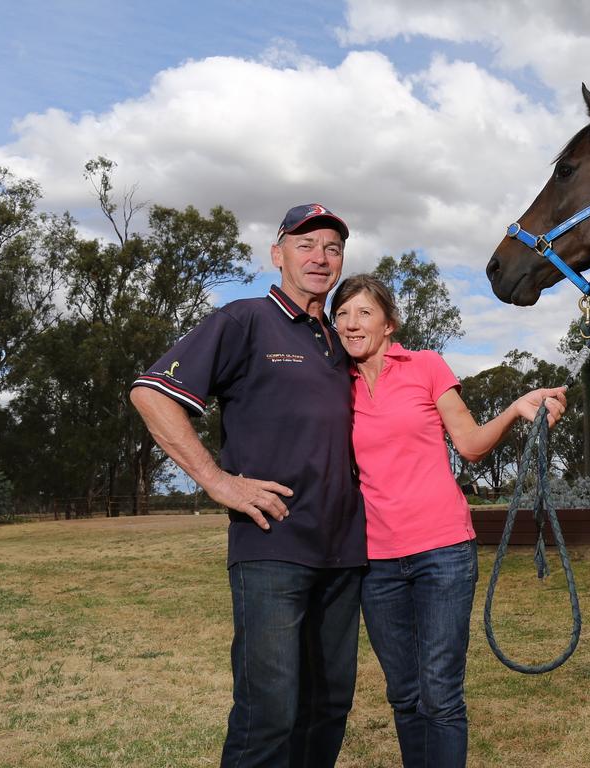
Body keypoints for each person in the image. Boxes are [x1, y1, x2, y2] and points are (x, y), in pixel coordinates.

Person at [129, 203, 366, 768]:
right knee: (270, 712)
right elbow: (150, 393)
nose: (320, 257)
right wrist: (217, 480)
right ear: (276, 254)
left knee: (329, 705)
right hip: (272, 549)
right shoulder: (244, 320)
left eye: (332, 247)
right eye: (305, 245)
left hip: (345, 555)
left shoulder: (339, 342)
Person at [329, 274, 567, 768]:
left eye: (364, 312)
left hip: (442, 553)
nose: (351, 324)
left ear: (389, 324)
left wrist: (514, 410)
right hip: (375, 561)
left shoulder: (426, 367)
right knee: (403, 694)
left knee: (439, 696)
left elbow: (472, 446)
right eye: (342, 314)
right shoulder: (334, 385)